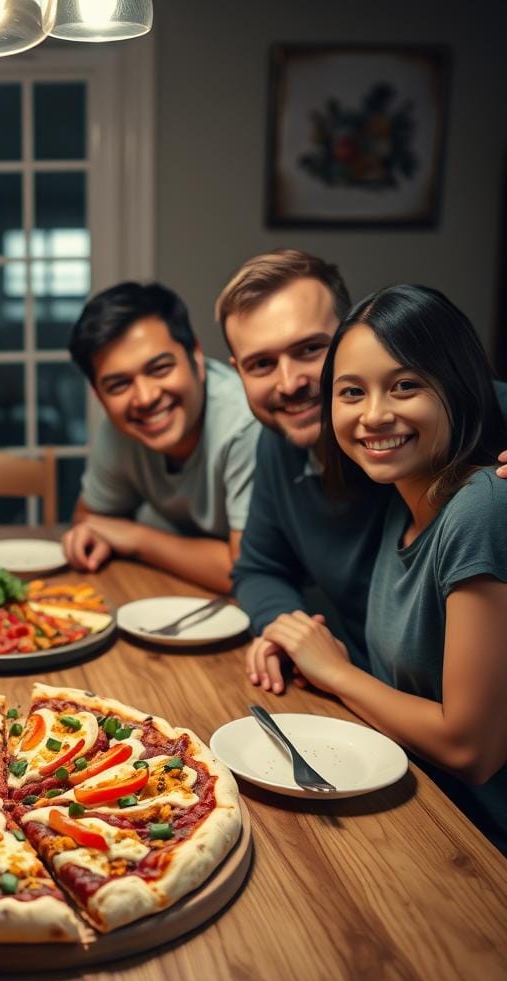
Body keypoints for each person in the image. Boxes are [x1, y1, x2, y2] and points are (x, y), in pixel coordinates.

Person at [260, 284, 507, 851]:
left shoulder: (481, 508)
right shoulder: (398, 505)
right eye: (351, 392)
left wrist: (336, 672)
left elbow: (472, 751)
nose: (374, 415)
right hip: (418, 803)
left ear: (458, 386)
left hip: (479, 840)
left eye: (405, 385)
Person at [219, 249, 507, 689]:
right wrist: (292, 633)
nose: (289, 382)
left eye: (311, 349)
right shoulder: (278, 445)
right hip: (365, 691)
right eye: (262, 363)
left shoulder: (458, 420)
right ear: (238, 371)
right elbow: (260, 568)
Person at [61, 282, 260, 593]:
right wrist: (97, 535)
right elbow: (89, 520)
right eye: (118, 385)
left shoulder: (245, 423)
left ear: (196, 355)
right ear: (98, 396)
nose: (144, 398)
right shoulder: (119, 428)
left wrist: (135, 538)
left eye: (160, 368)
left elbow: (245, 570)